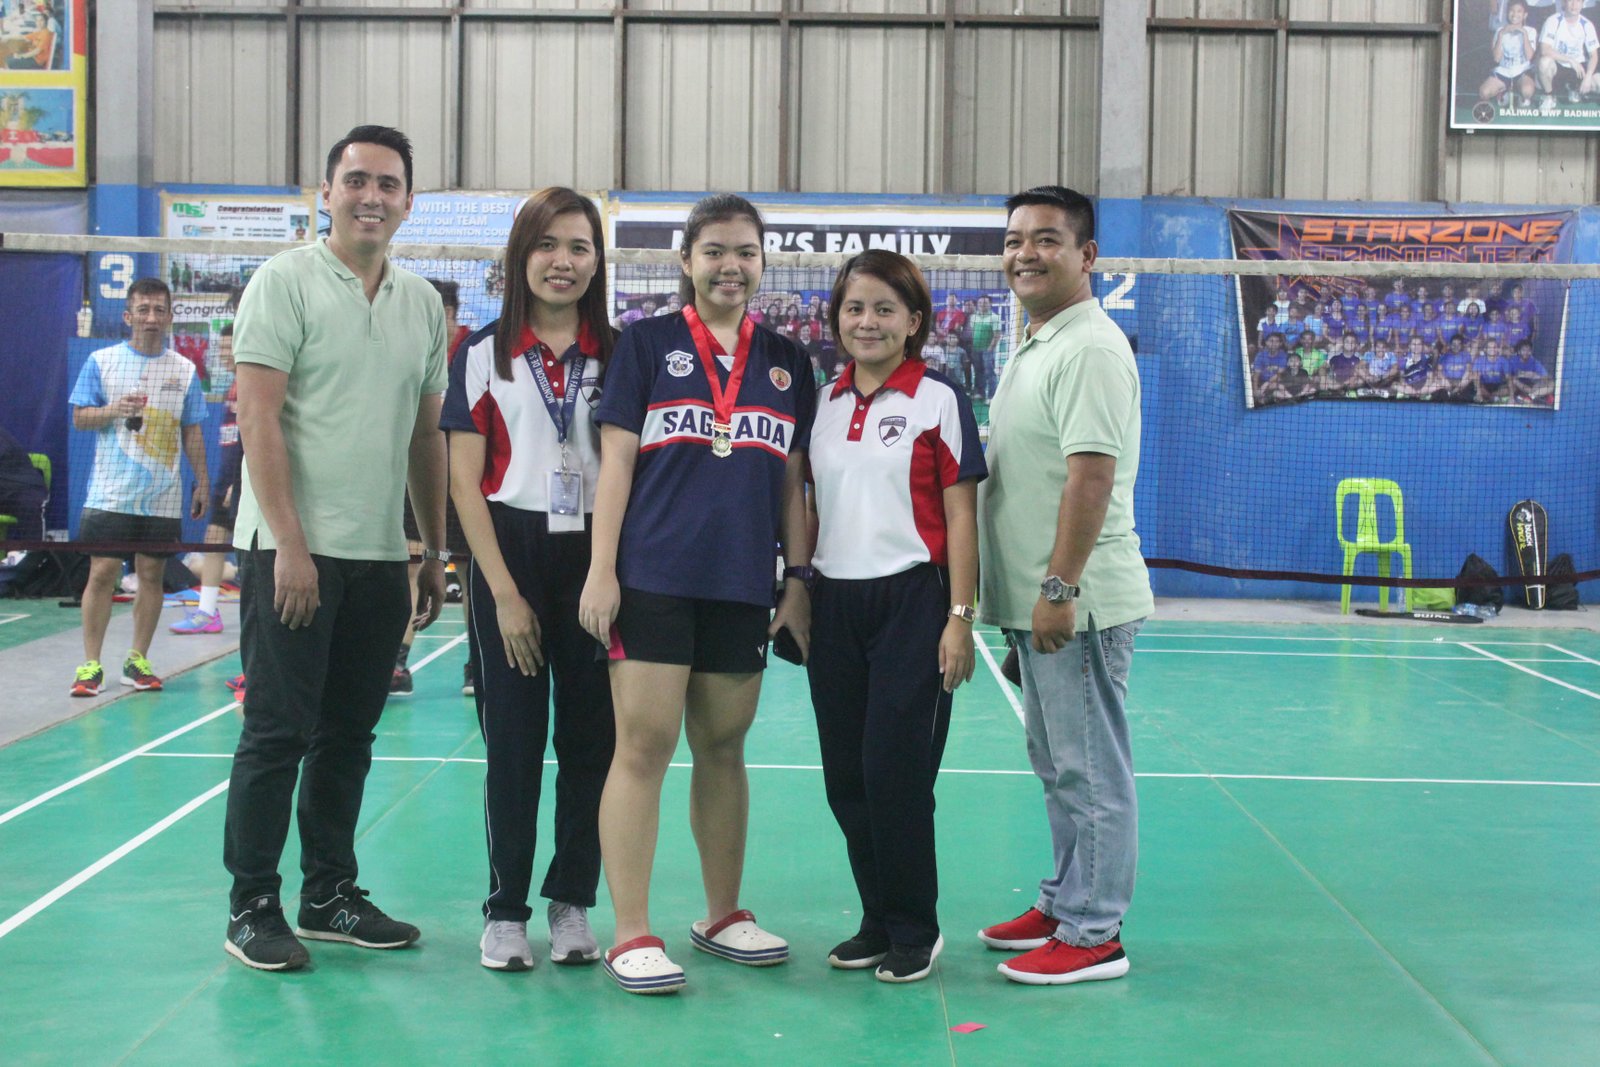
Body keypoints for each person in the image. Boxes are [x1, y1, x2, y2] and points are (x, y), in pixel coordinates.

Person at [221, 125, 450, 972]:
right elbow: (258, 417)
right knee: (276, 732)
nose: (371, 197)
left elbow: (425, 438)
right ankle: (252, 905)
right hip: (290, 552)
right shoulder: (283, 282)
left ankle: (329, 894)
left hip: (380, 556)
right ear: (326, 193)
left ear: (408, 202)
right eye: (356, 180)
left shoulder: (421, 304)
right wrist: (291, 543)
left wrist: (431, 548)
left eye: (387, 184)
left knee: (349, 733)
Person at [578, 193, 815, 995]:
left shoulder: (787, 360)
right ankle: (631, 931)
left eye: (745, 252)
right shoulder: (645, 344)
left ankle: (721, 914)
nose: (730, 266)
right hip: (653, 578)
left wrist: (797, 579)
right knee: (643, 748)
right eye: (714, 251)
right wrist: (602, 569)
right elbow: (616, 463)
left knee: (723, 747)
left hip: (741, 584)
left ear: (762, 261)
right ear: (686, 260)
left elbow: (792, 481)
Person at [976, 186, 1153, 986]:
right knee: (1057, 763)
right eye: (1015, 239)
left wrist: (1058, 588)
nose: (1026, 253)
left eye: (1047, 239)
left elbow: (1091, 478)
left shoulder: (1088, 347)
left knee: (1090, 769)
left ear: (1087, 256)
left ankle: (1093, 932)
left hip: (1076, 601)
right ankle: (1065, 899)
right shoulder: (1039, 340)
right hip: (1038, 604)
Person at [441, 187, 618, 973]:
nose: (562, 261)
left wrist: (608, 571)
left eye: (578, 247)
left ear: (597, 262)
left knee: (591, 740)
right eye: (547, 245)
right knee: (513, 741)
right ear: (521, 257)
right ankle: (506, 909)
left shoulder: (621, 353)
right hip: (508, 553)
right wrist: (503, 593)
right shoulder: (483, 353)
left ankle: (571, 899)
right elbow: (463, 482)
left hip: (596, 557)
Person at [806, 250, 985, 983]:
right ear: (837, 319)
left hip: (913, 601)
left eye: (885, 309)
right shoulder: (822, 403)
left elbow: (961, 514)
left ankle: (916, 926)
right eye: (854, 308)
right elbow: (809, 503)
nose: (867, 322)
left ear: (914, 322)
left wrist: (960, 615)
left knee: (895, 774)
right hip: (834, 604)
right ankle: (877, 919)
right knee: (846, 778)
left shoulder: (939, 399)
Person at [66, 278, 210, 697]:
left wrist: (202, 481)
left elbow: (192, 431)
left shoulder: (184, 370)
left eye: (159, 310)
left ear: (169, 317)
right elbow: (79, 418)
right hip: (110, 493)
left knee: (151, 575)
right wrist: (115, 409)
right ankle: (90, 664)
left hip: (162, 497)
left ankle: (137, 660)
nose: (151, 317)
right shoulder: (102, 361)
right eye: (143, 310)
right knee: (102, 574)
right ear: (129, 316)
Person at [171, 324, 239, 637]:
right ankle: (208, 612)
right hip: (226, 482)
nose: (224, 353)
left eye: (229, 347)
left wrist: (241, 483)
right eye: (221, 348)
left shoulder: (254, 384)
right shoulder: (233, 386)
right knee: (213, 541)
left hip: (243, 484)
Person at [1537, 0, 1600, 110]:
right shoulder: (1553, 21)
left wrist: (1588, 76)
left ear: (1582, 4)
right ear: (1563, 3)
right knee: (1544, 63)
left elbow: (1594, 56)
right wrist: (1570, 60)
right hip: (1559, 66)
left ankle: (1576, 90)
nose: (1574, 5)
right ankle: (1549, 96)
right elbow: (1544, 50)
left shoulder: (1587, 24)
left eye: (1578, 1)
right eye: (1571, 1)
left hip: (1579, 69)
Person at [1484, 0, 1540, 106]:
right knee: (1484, 93)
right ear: (1507, 12)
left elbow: (1530, 57)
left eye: (1519, 11)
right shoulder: (1500, 30)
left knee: (1527, 91)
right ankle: (1503, 90)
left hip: (1522, 72)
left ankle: (1518, 93)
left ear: (1525, 15)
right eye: (1512, 11)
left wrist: (1524, 34)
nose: (1515, 14)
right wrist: (1501, 35)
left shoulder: (1531, 31)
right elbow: (1496, 58)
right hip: (1503, 71)